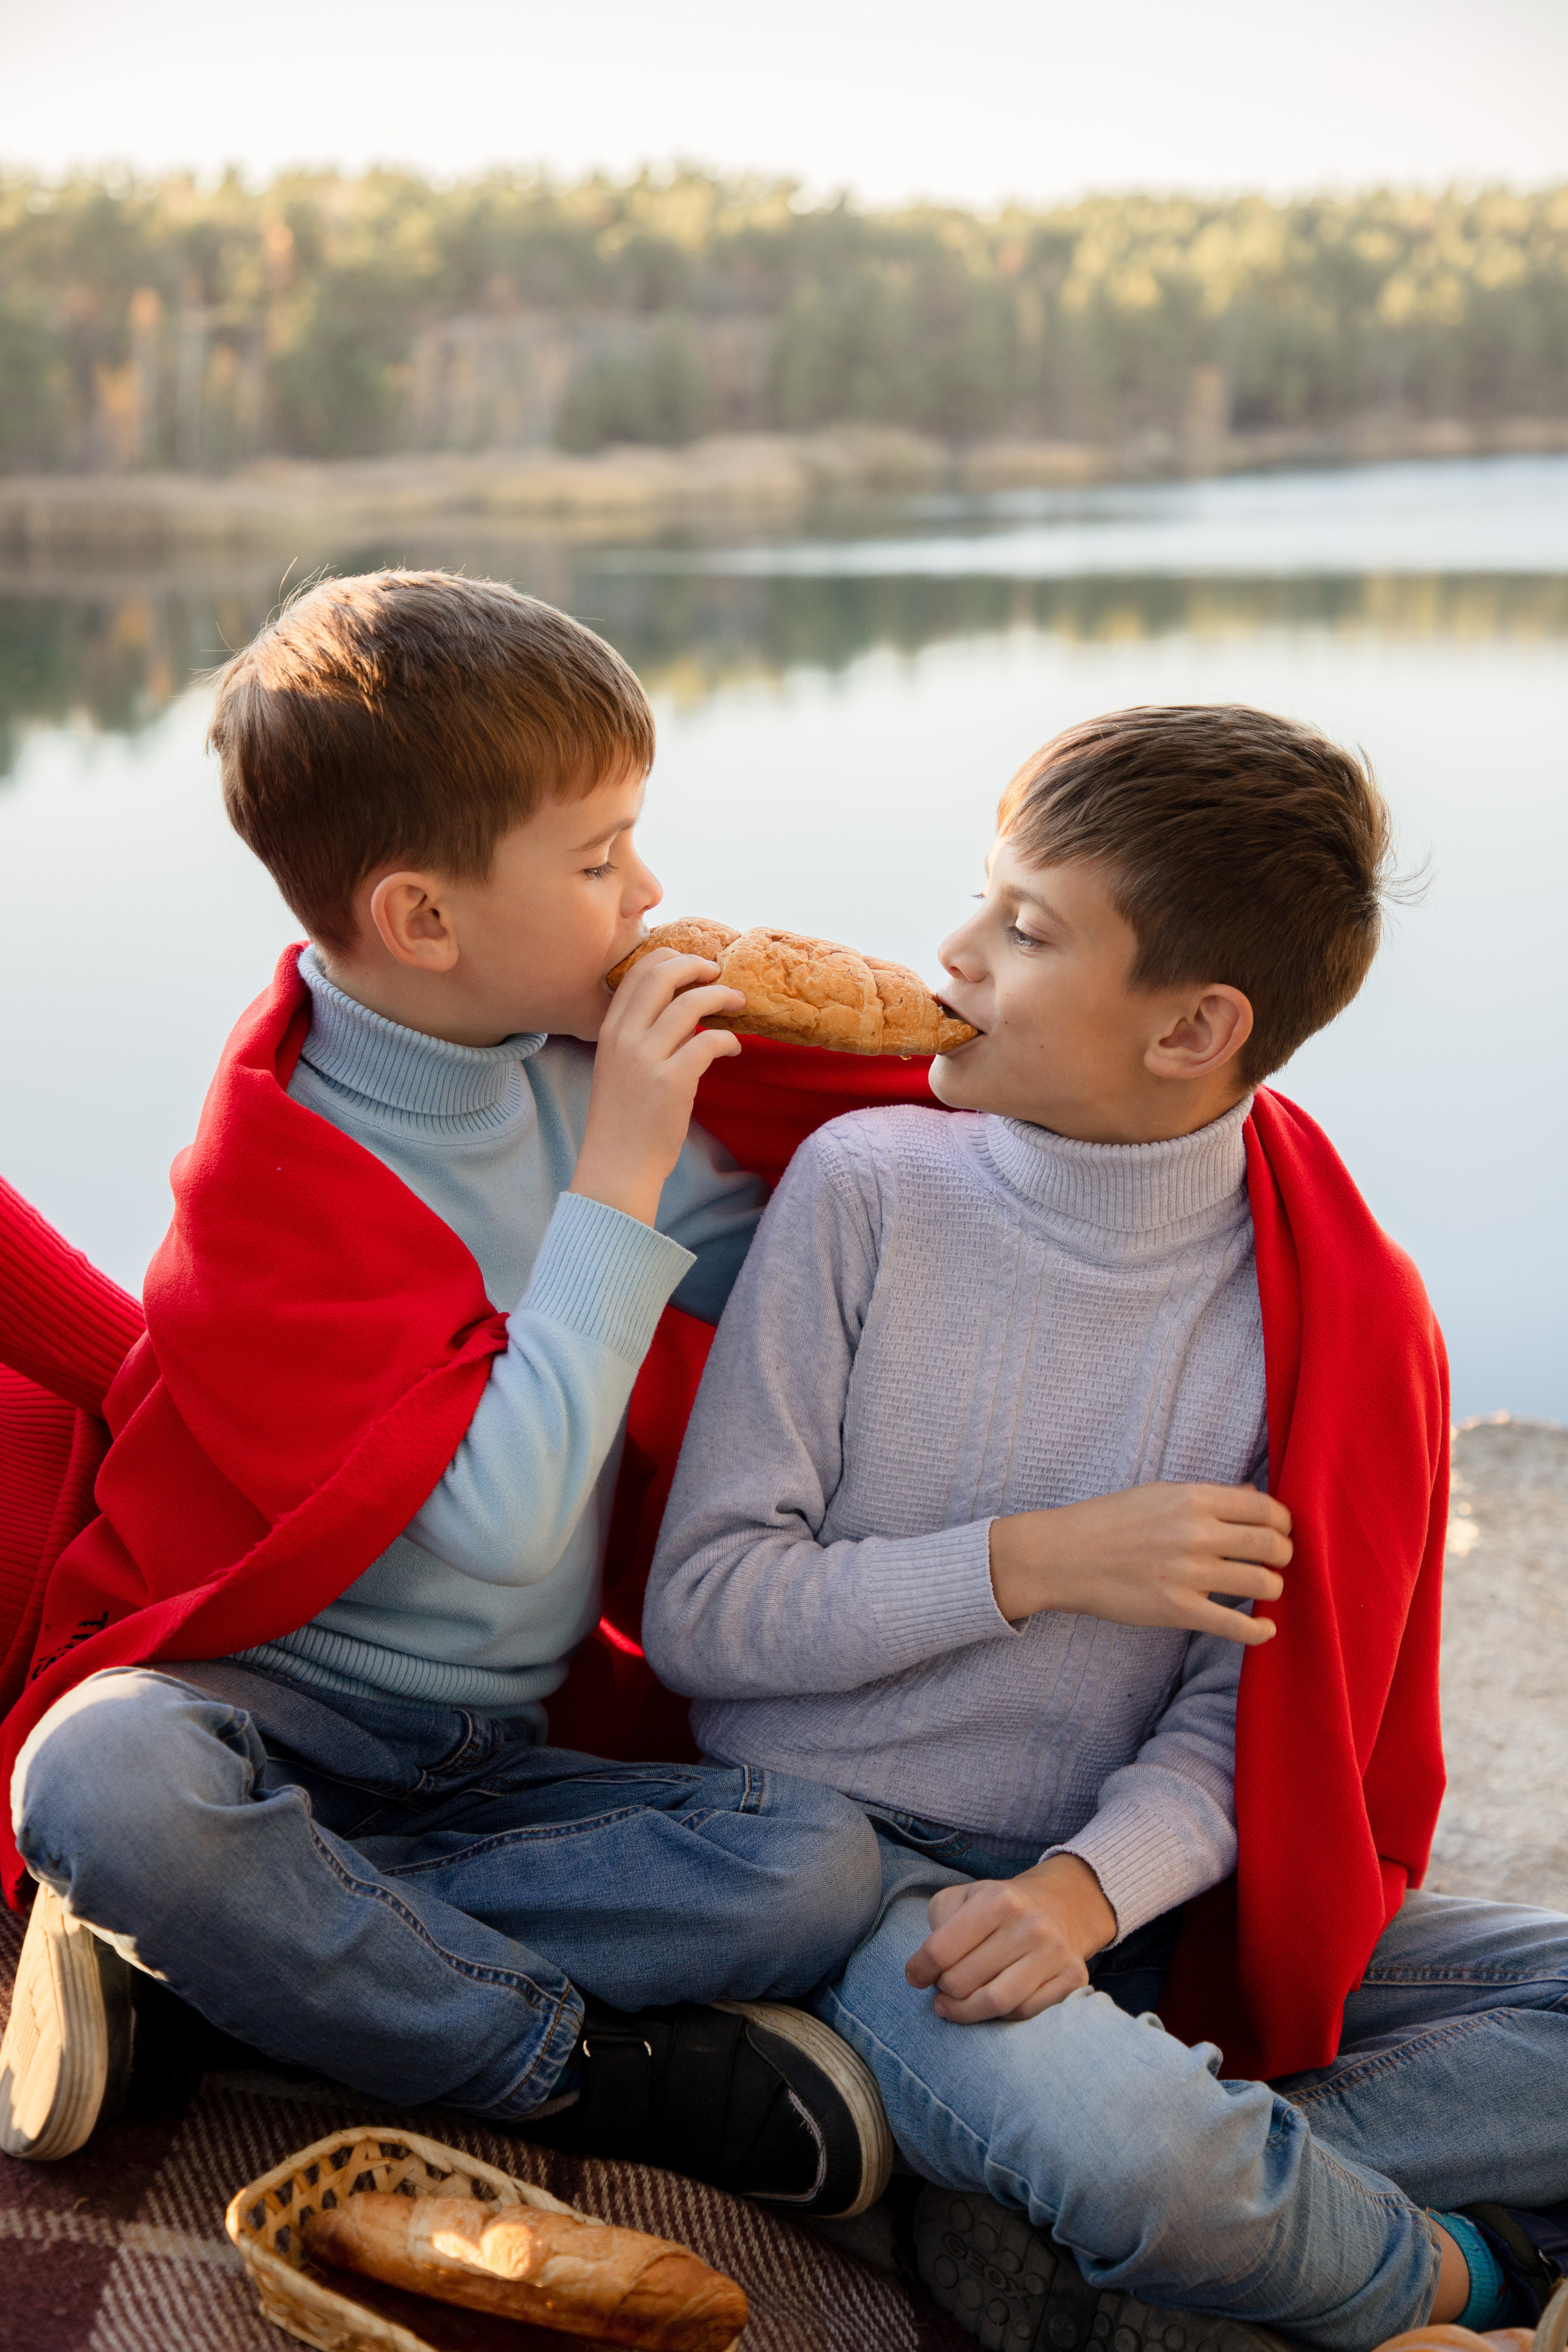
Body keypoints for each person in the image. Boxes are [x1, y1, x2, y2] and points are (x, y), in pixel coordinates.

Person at [643, 704, 1568, 2351]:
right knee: (1134, 2150)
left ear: (1193, 1026)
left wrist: (1085, 1891)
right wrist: (1038, 1561)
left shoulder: (1329, 1312)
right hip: (857, 1882)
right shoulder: (868, 1190)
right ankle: (1475, 2274)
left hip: (1124, 1908)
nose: (955, 952)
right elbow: (709, 1616)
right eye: (986, 903)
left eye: (1028, 928)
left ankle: (1058, 2212)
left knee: (1131, 2165)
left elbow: (1258, 1720)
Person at [0, 570, 890, 2217]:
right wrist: (618, 1173)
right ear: (424, 919)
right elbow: (495, 1532)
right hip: (260, 1721)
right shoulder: (280, 1165)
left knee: (817, 1860)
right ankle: (569, 2071)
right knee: (93, 1781)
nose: (653, 891)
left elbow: (785, 1283)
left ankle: (227, 1971)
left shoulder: (593, 1077)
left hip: (493, 1770)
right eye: (599, 857)